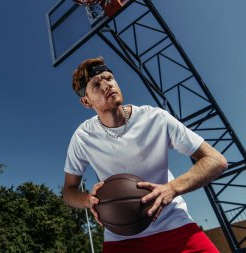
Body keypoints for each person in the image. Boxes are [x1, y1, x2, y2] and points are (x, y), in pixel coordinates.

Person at [62, 57, 228, 253]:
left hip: (174, 225)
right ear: (86, 101)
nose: (107, 85)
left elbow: (216, 160)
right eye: (97, 85)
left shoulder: (155, 118)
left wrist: (172, 188)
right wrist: (88, 199)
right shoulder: (83, 137)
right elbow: (69, 191)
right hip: (121, 237)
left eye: (109, 78)